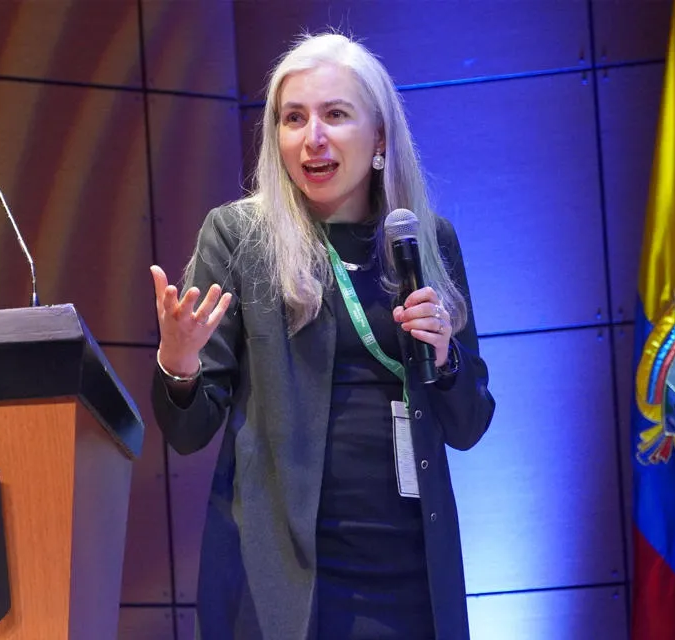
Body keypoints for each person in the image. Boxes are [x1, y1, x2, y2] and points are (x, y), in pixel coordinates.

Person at [148, 31, 496, 640]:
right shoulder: (239, 237)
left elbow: (469, 425)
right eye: (293, 118)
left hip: (410, 564)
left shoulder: (426, 240)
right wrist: (177, 365)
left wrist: (445, 357)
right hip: (283, 570)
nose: (312, 138)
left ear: (380, 137)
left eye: (335, 115)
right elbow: (189, 430)